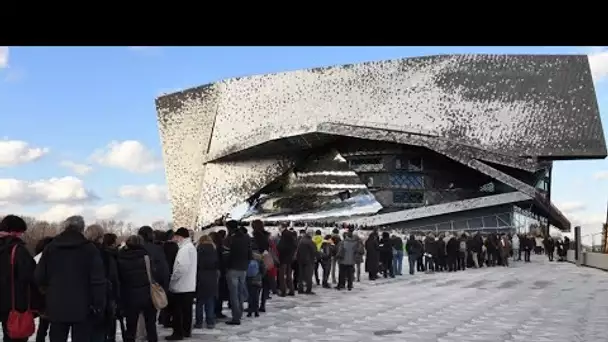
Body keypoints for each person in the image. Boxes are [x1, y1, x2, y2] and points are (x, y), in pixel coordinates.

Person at [35, 215, 106, 342]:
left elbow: (39, 276)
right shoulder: (90, 249)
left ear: (65, 227)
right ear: (81, 229)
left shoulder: (51, 248)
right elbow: (98, 280)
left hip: (56, 304)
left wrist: (48, 294)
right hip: (84, 305)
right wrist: (99, 304)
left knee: (56, 337)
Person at [0, 215, 40, 342]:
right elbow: (32, 275)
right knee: (16, 338)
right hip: (15, 304)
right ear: (15, 231)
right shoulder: (18, 250)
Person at [116, 235, 160, 342]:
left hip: (129, 295)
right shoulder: (147, 256)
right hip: (147, 294)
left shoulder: (120, 257)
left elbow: (119, 279)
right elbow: (154, 273)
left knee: (131, 327)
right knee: (150, 325)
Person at [85, 224, 120, 342]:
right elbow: (113, 276)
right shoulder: (104, 254)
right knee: (101, 331)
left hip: (83, 299)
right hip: (102, 297)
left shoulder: (80, 252)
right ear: (100, 237)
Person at [166, 228, 198, 340]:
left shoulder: (184, 249)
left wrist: (173, 279)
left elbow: (181, 267)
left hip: (181, 285)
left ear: (180, 236)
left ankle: (178, 333)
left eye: (175, 237)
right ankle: (186, 331)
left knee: (178, 311)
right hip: (189, 285)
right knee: (187, 311)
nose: (174, 239)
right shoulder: (191, 247)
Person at [223, 221, 252, 325]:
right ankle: (239, 313)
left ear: (229, 228)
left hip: (232, 268)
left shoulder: (229, 239)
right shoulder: (246, 238)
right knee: (240, 292)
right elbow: (250, 254)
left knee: (234, 294)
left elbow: (225, 256)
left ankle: (236, 317)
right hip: (243, 268)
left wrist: (226, 267)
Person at [194, 235, 218, 329]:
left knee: (200, 302)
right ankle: (210, 321)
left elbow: (197, 263)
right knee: (210, 301)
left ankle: (199, 322)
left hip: (201, 276)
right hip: (212, 276)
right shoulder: (214, 249)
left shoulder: (198, 249)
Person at [34, 237, 54, 342]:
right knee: (53, 328)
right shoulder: (49, 258)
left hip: (42, 298)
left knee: (43, 327)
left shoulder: (37, 258)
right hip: (51, 297)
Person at [277, 224, 297, 297]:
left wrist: (278, 248)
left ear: (283, 227)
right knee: (289, 275)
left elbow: (281, 246)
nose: (278, 229)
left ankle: (283, 291)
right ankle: (291, 290)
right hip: (289, 258)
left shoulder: (285, 234)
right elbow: (294, 246)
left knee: (281, 276)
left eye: (279, 227)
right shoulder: (290, 235)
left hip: (284, 258)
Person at [246, 252, 265, 317]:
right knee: (256, 297)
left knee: (250, 297)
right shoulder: (260, 261)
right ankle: (256, 312)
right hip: (258, 281)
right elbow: (263, 271)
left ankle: (249, 312)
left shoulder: (249, 261)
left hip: (249, 281)